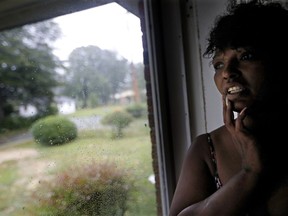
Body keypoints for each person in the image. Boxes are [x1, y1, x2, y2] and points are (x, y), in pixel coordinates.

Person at [169, 0, 288, 215]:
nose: (227, 73)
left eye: (246, 56)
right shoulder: (206, 148)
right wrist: (250, 173)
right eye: (219, 64)